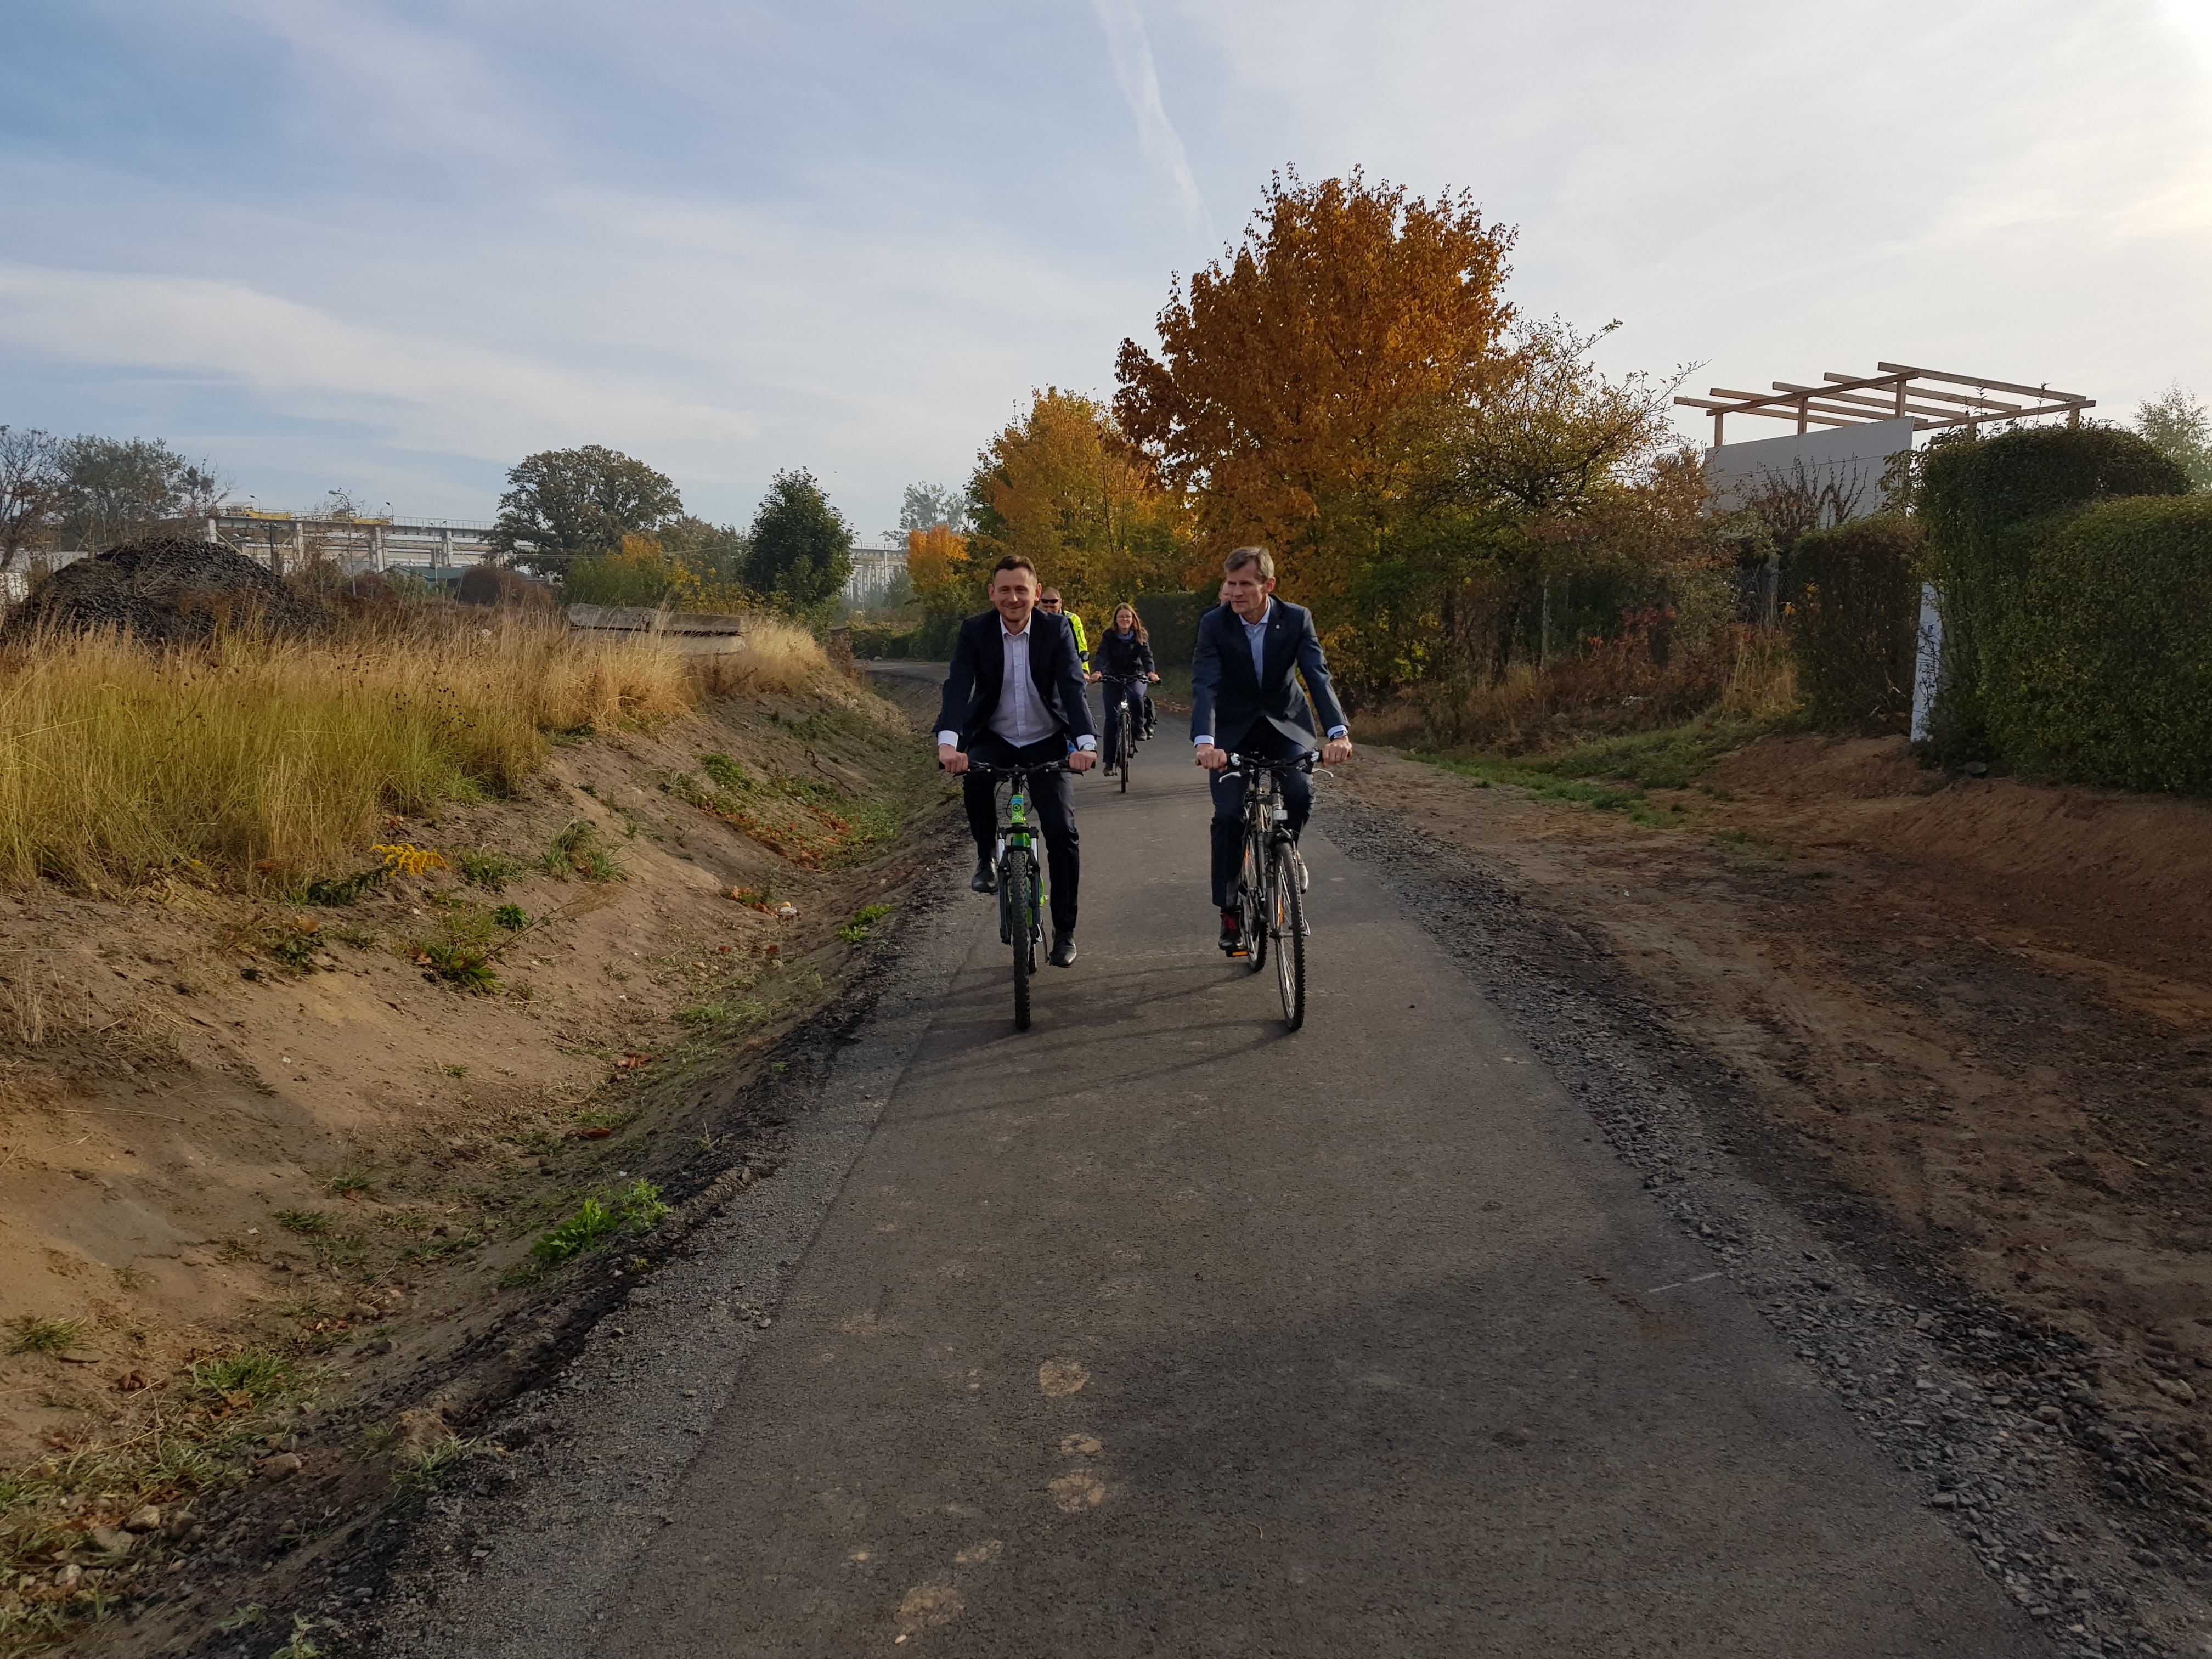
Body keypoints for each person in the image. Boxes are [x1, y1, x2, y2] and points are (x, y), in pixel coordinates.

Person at [936, 556, 1098, 967]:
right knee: (974, 778)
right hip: (996, 735)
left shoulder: (1056, 629)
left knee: (1062, 832)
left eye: (1021, 590)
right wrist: (949, 744)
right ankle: (986, 857)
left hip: (1046, 740)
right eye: (1004, 590)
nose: (1013, 598)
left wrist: (1085, 744)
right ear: (992, 594)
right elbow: (958, 685)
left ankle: (1065, 932)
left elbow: (1072, 687)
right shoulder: (975, 631)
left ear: (1036, 593)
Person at [1192, 546, 1353, 954]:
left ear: (1269, 585)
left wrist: (1338, 734)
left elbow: (1317, 676)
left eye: (1246, 584)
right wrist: (1206, 742)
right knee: (1229, 815)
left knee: (1298, 792)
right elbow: (1206, 685)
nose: (1236, 592)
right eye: (1231, 583)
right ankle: (1230, 910)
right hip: (1231, 731)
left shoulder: (1296, 619)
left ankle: (1289, 851)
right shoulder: (1214, 624)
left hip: (1285, 724)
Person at [1088, 600, 1159, 768]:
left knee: (1136, 697)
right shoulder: (1108, 635)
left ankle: (1139, 728)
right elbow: (1102, 655)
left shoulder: (1140, 634)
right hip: (1113, 676)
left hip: (1135, 675)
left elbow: (1147, 656)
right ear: (1116, 619)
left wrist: (1151, 673)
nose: (1125, 620)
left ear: (1133, 618)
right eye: (1121, 617)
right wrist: (1098, 672)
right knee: (1111, 719)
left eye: (1128, 617)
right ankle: (1109, 762)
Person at [1038, 589, 1089, 673]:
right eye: (1045, 607)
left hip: (1066, 667)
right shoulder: (1031, 619)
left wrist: (1084, 670)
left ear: (1060, 603)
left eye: (1053, 607)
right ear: (1039, 603)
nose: (1049, 611)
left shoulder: (1072, 619)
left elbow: (1081, 645)